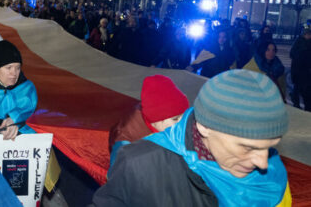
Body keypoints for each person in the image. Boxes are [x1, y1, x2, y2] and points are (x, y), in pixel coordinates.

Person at [92, 70, 291, 206]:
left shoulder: (275, 176)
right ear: (205, 128)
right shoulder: (141, 164)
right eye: (247, 147)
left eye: (269, 147)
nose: (263, 162)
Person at [108, 75, 189, 177]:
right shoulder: (126, 140)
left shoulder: (164, 124)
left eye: (183, 116)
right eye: (175, 119)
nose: (181, 123)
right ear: (156, 118)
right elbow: (118, 176)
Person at [290, 27, 311, 111]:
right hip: (298, 69)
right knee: (298, 87)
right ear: (305, 35)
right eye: (308, 35)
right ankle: (296, 103)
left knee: (304, 89)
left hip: (306, 71)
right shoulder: (299, 42)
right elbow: (292, 54)